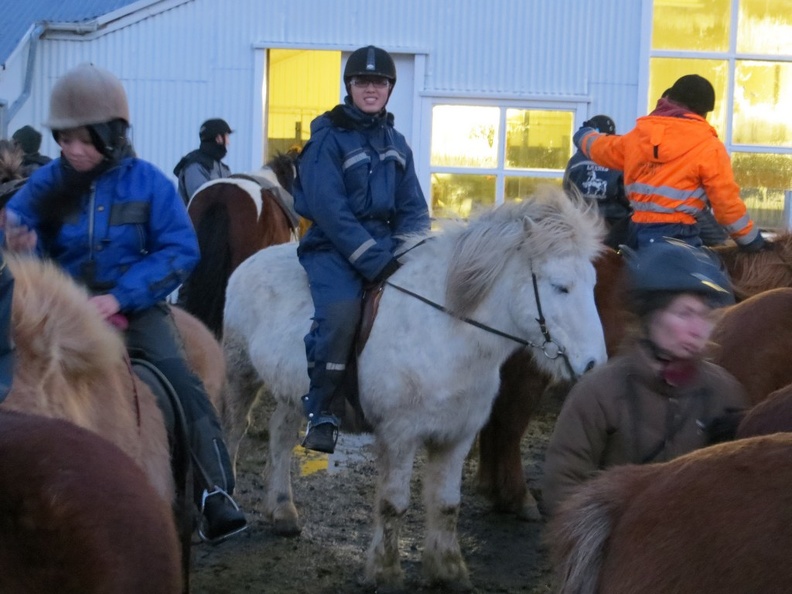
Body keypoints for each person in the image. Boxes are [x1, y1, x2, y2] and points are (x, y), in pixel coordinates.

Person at [3, 63, 246, 543]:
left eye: (85, 139)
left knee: (180, 376)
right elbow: (17, 226)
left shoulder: (151, 183)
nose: (73, 150)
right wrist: (18, 241)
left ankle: (213, 490)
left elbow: (180, 250)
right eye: (65, 139)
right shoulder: (48, 181)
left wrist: (121, 296)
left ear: (113, 134)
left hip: (134, 310)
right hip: (59, 313)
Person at [540, 238, 748, 517]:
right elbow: (563, 487)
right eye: (684, 313)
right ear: (650, 316)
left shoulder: (725, 394)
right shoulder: (599, 394)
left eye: (706, 316)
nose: (699, 329)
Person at [293, 45, 431, 454]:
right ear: (349, 86)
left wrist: (418, 253)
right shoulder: (326, 141)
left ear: (390, 88)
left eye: (379, 82)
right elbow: (330, 211)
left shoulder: (397, 142)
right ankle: (323, 410)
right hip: (333, 248)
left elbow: (413, 208)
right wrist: (375, 260)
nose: (371, 89)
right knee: (340, 313)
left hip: (384, 244)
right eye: (362, 82)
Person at [573, 74, 767, 251]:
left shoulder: (637, 137)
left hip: (636, 232)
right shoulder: (710, 147)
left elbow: (599, 147)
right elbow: (726, 207)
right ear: (704, 112)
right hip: (680, 234)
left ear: (668, 100)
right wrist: (752, 241)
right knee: (717, 282)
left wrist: (584, 133)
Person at [562, 114, 631, 248]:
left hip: (581, 225)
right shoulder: (618, 160)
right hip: (613, 226)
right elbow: (627, 195)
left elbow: (567, 192)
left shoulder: (575, 161)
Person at [173, 118, 232, 205]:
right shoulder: (195, 166)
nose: (228, 142)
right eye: (226, 136)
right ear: (219, 138)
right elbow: (200, 202)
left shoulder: (223, 169)